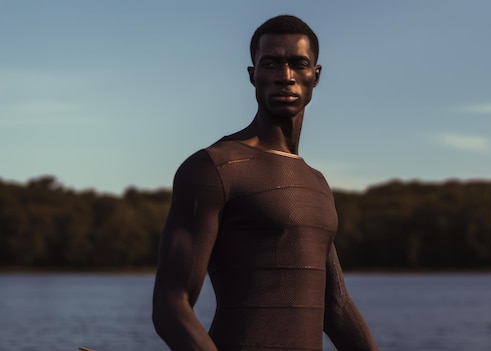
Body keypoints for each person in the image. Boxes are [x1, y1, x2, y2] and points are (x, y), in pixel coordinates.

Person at [152, 15, 379, 351]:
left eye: (298, 64)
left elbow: (337, 307)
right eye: (271, 64)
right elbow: (171, 305)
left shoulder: (316, 183)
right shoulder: (215, 168)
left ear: (315, 76)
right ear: (252, 75)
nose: (285, 77)